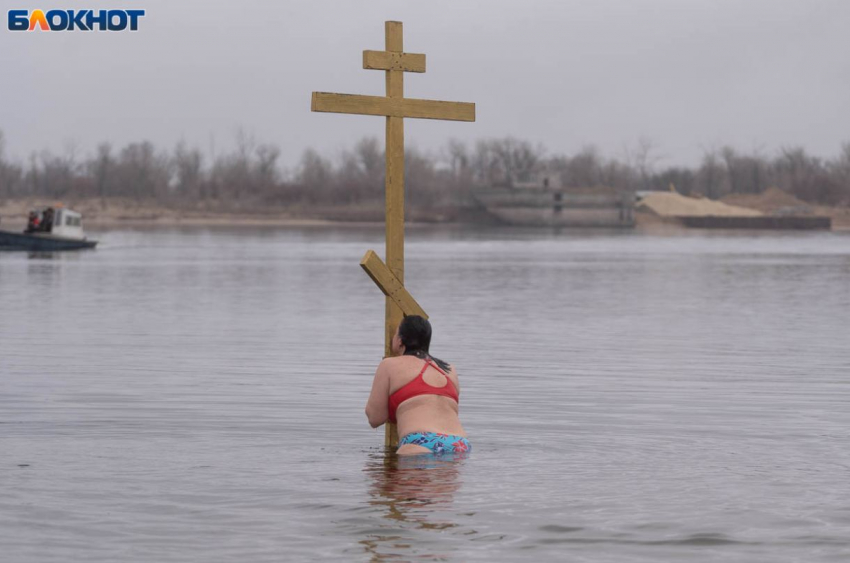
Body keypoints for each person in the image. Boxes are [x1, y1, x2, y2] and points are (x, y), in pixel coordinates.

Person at [365, 315, 469, 455]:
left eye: (395, 333)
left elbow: (375, 418)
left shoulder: (389, 365)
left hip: (419, 442)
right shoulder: (449, 369)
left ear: (400, 341)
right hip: (459, 443)